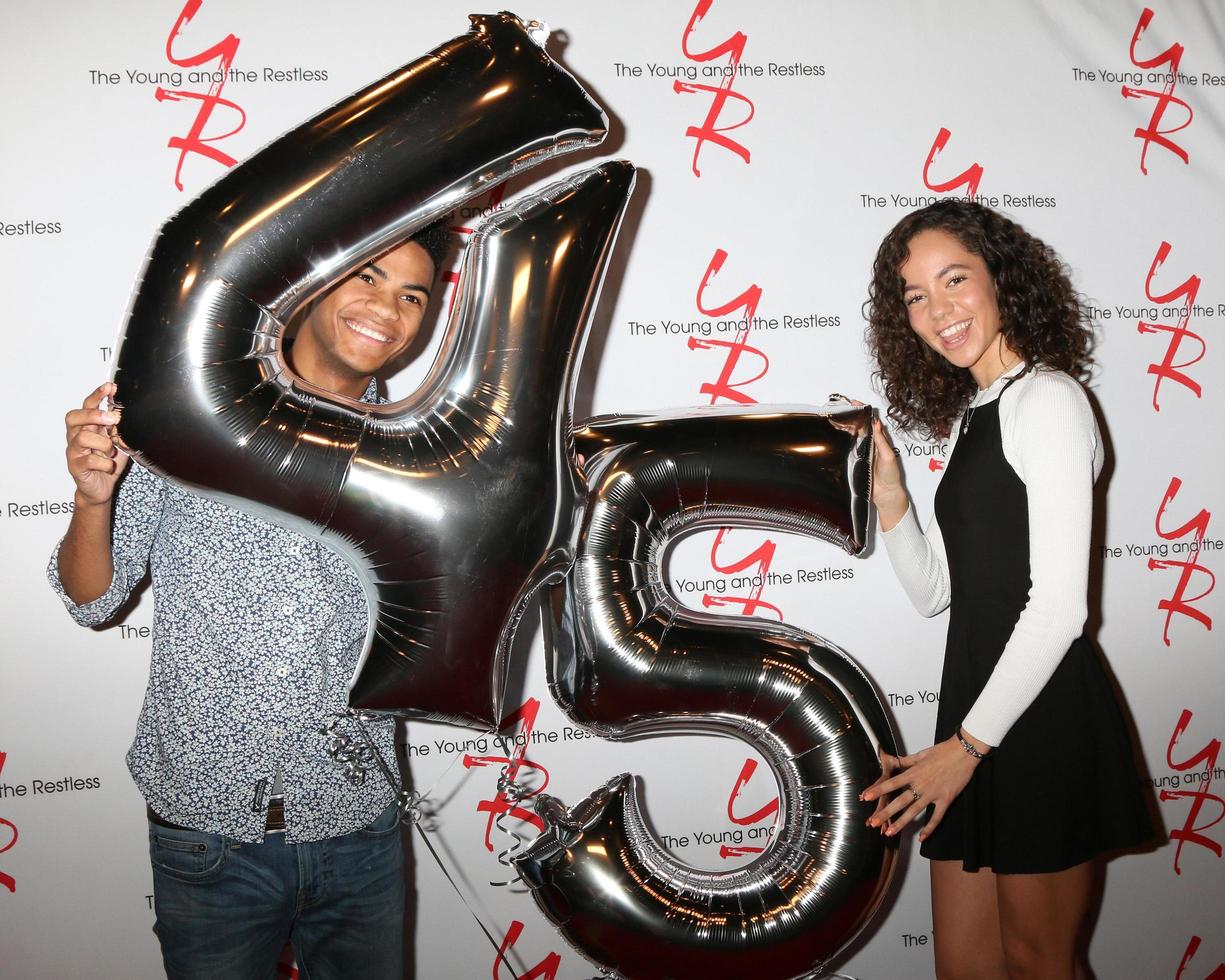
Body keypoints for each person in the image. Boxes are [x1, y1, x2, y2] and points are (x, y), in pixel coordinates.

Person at [49, 224, 450, 980]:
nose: (386, 309)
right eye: (366, 276)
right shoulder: (190, 417)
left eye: (411, 295)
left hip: (358, 824)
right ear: (313, 279)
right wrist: (93, 498)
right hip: (207, 834)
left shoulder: (422, 450)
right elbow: (91, 601)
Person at [859, 200, 1153, 980]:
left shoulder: (1048, 399)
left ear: (1000, 281)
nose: (936, 310)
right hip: (977, 709)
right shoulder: (973, 413)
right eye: (915, 297)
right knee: (965, 967)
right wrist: (892, 499)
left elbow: (1059, 606)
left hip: (1038, 714)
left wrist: (965, 748)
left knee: (1037, 963)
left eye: (953, 280)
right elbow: (936, 595)